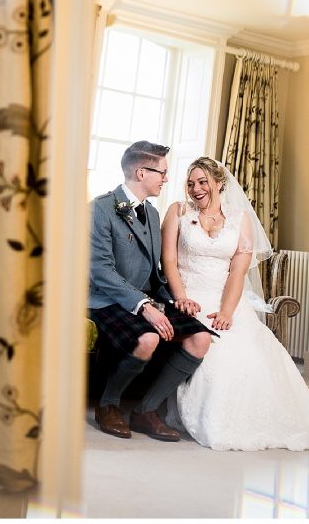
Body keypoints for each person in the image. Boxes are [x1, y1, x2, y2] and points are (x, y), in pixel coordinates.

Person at [160, 156, 309, 451]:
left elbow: (238, 270)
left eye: (203, 182)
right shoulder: (178, 211)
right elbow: (169, 260)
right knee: (211, 351)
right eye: (190, 183)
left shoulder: (240, 220)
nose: (196, 189)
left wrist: (228, 311)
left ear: (219, 183)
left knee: (248, 349)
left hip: (225, 299)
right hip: (188, 296)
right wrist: (181, 297)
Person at [88, 141, 214, 441]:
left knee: (201, 337)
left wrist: (174, 299)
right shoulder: (101, 208)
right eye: (162, 172)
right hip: (107, 300)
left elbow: (155, 271)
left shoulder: (153, 214)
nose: (166, 179)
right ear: (141, 172)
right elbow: (101, 271)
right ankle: (108, 405)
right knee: (148, 337)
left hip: (147, 298)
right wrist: (144, 306)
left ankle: (147, 410)